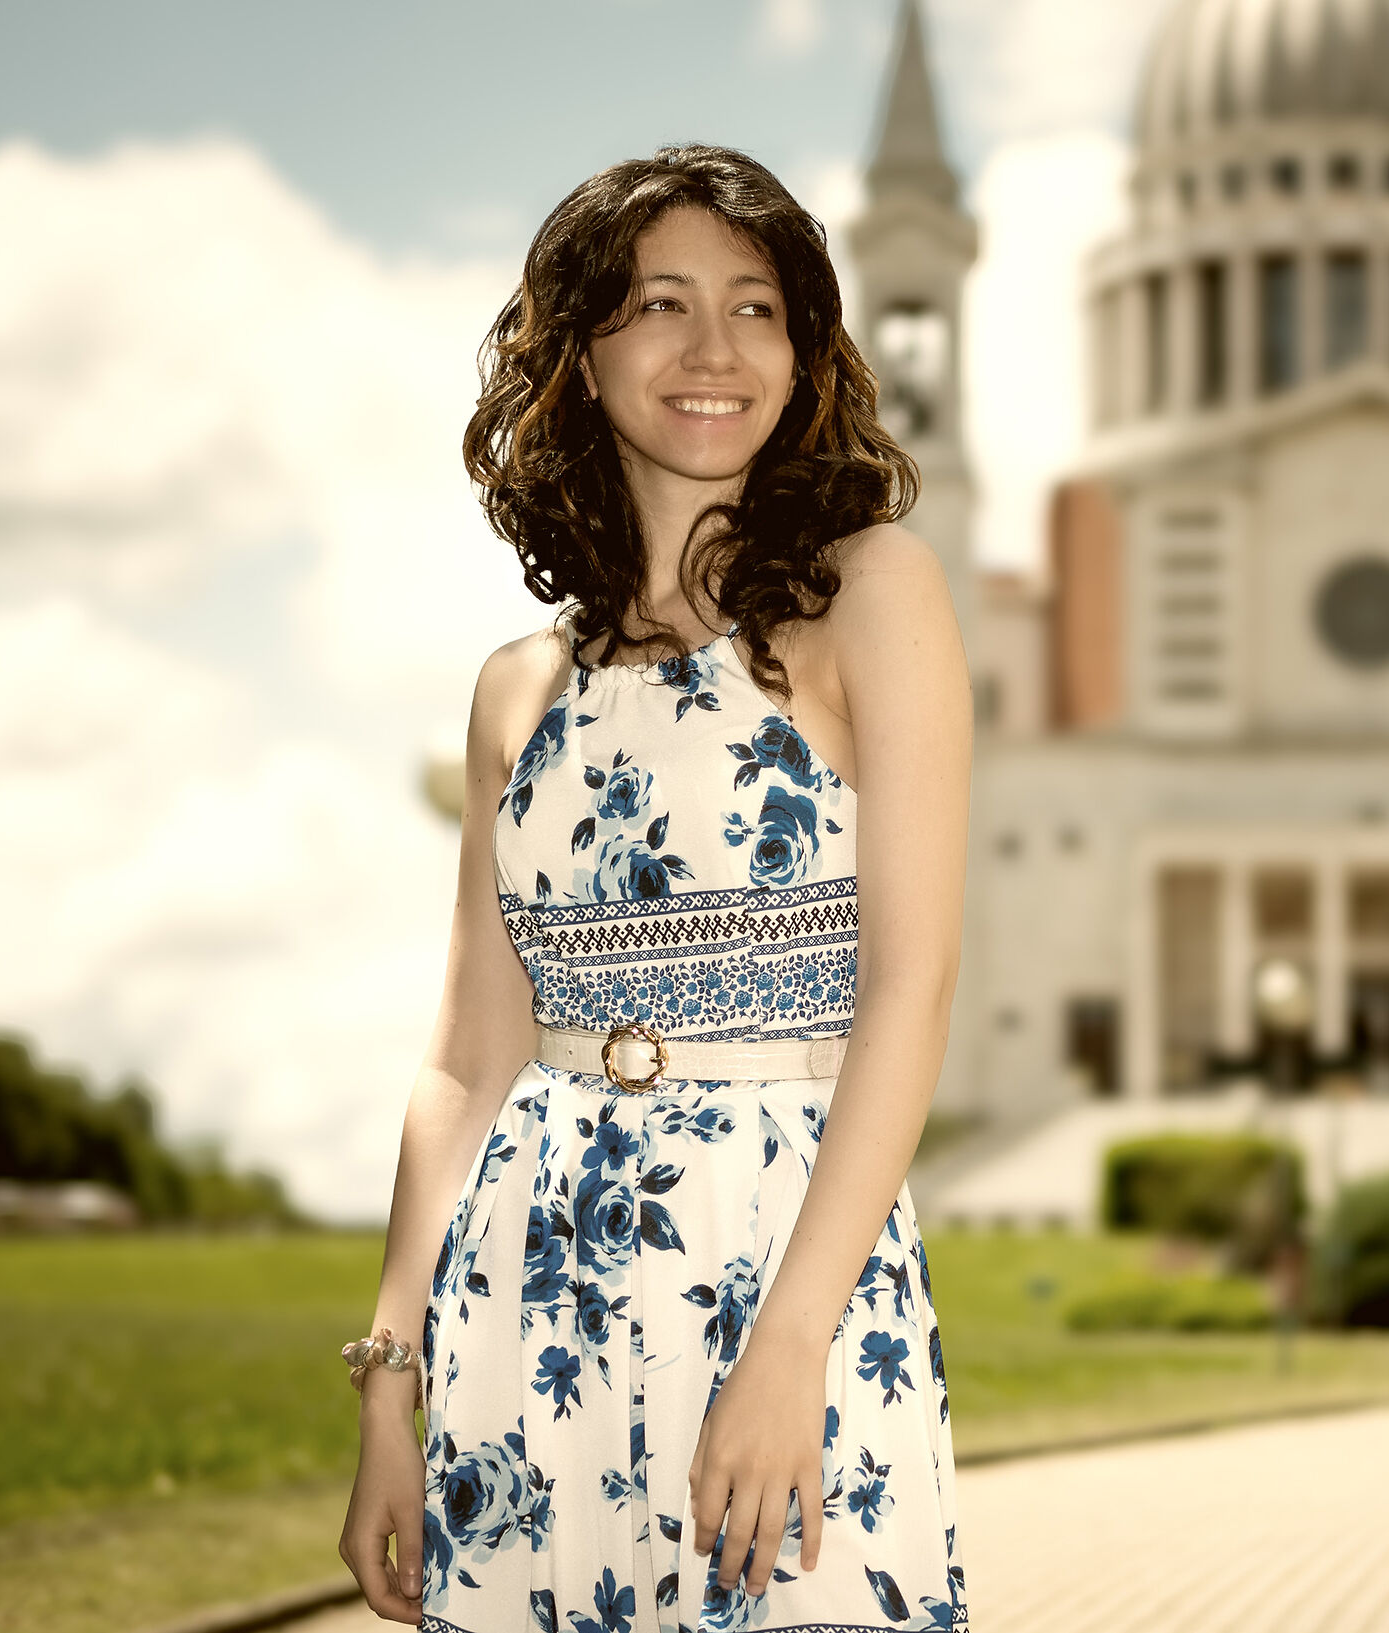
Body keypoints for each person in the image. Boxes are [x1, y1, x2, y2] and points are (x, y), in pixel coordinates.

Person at [337, 144, 972, 1633]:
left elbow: (911, 986)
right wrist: (392, 1375)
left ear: (807, 354)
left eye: (757, 309)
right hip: (528, 1290)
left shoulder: (873, 596)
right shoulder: (515, 691)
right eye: (661, 304)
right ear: (584, 352)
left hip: (788, 1261)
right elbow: (466, 1061)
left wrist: (791, 1343)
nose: (713, 351)